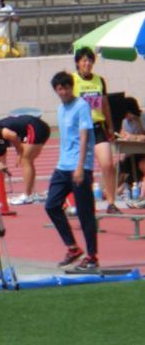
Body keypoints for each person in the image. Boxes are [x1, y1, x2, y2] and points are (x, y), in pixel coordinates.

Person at [44, 71, 99, 273]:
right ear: (56, 90)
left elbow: (84, 137)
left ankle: (92, 257)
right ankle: (73, 247)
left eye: (67, 87)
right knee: (51, 205)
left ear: (72, 87)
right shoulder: (60, 108)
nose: (64, 91)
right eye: (60, 89)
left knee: (85, 214)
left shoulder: (82, 106)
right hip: (62, 166)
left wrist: (80, 166)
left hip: (79, 166)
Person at [73, 47, 120, 215]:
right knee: (83, 169)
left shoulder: (99, 80)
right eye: (84, 60)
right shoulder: (72, 80)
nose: (87, 63)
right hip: (80, 130)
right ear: (78, 63)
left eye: (90, 60)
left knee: (108, 164)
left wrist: (111, 127)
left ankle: (111, 202)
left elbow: (105, 104)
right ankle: (83, 204)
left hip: (98, 126)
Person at [0, 113, 50, 204]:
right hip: (35, 128)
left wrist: (19, 152)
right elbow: (1, 166)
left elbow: (12, 135)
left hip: (34, 127)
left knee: (26, 160)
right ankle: (31, 193)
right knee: (27, 160)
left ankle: (27, 195)